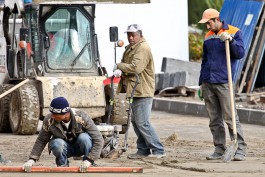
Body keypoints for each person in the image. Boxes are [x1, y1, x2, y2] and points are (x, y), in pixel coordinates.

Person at [198, 8, 247, 161]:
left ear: (216, 19)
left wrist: (231, 41)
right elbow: (204, 61)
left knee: (231, 117)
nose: (207, 27)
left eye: (208, 23)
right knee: (214, 119)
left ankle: (240, 149)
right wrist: (201, 82)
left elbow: (240, 54)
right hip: (208, 82)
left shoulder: (234, 31)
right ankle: (219, 148)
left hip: (224, 82)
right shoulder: (208, 37)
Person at [113, 24, 166, 159]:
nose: (130, 37)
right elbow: (130, 67)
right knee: (136, 122)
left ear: (140, 35)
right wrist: (122, 70)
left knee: (142, 122)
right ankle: (143, 149)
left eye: (133, 35)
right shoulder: (133, 48)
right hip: (135, 89)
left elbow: (136, 68)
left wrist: (119, 66)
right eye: (129, 35)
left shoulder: (142, 48)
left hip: (142, 90)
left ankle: (158, 149)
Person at [22, 97, 104, 172]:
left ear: (65, 113)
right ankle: (62, 166)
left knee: (84, 138)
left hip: (80, 147)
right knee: (57, 143)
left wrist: (90, 160)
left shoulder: (82, 117)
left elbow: (98, 139)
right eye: (52, 113)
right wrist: (32, 159)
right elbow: (41, 140)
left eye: (55, 114)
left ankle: (89, 165)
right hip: (63, 148)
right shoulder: (49, 120)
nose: (52, 116)